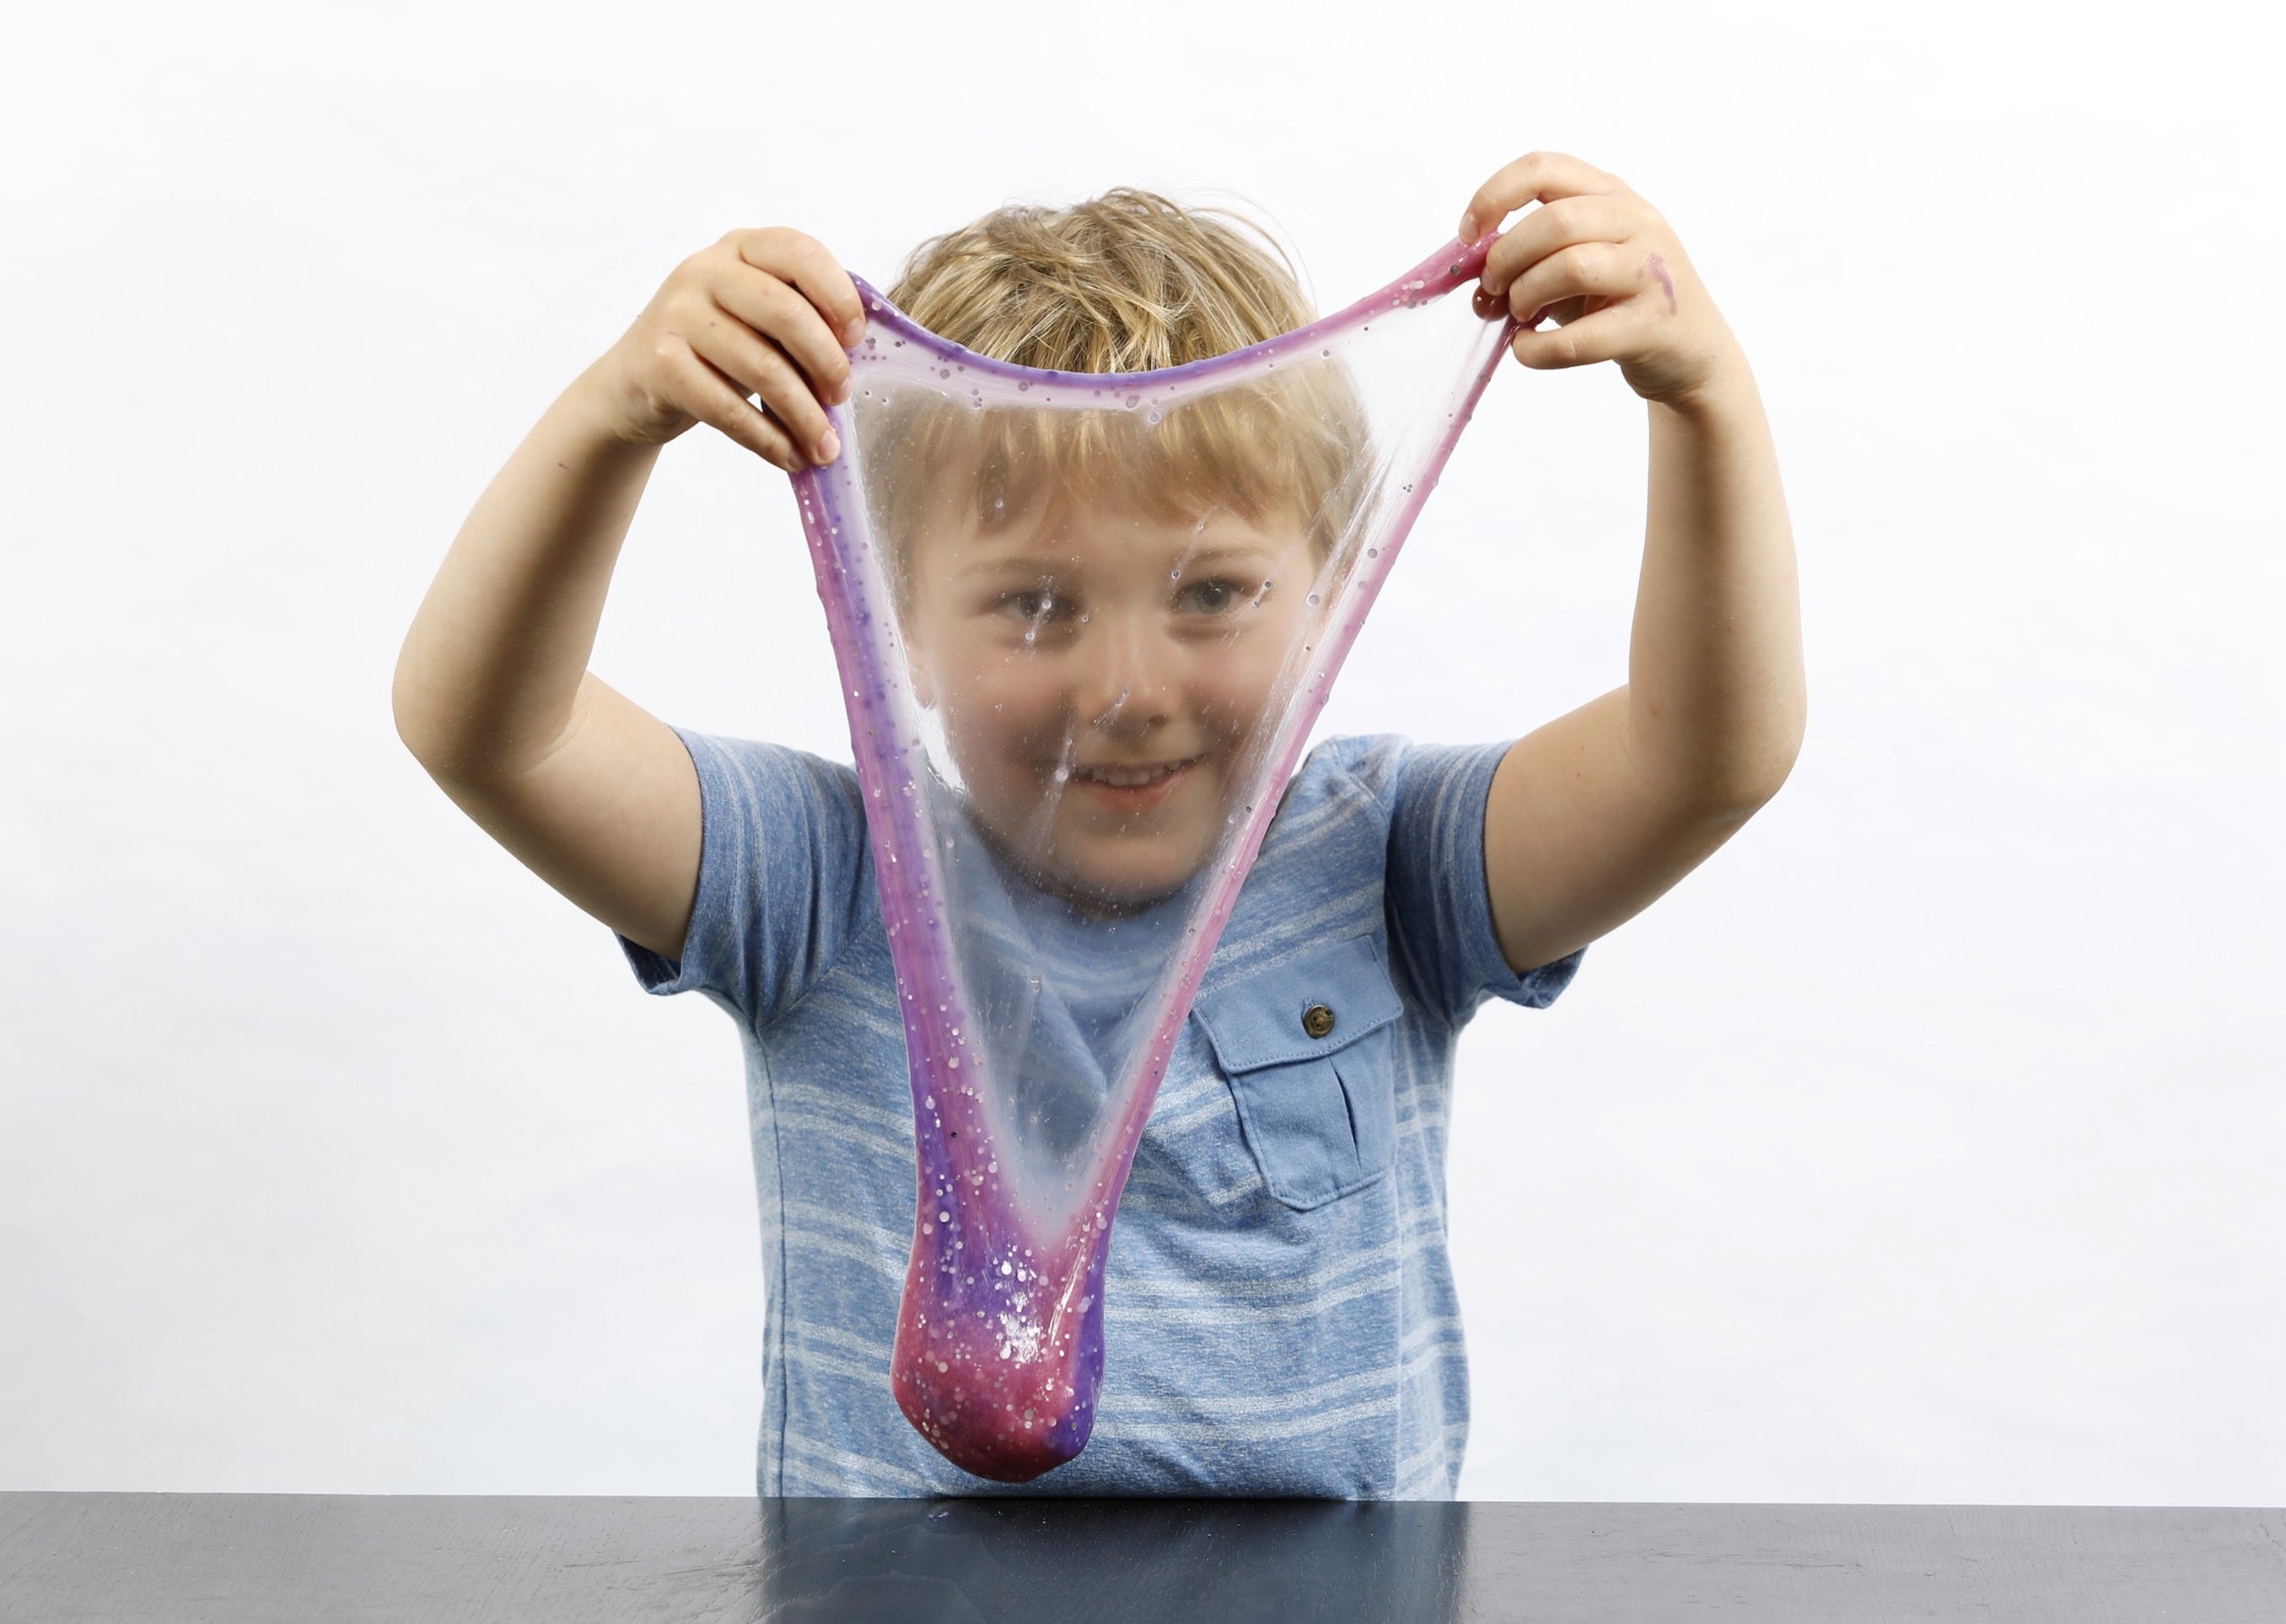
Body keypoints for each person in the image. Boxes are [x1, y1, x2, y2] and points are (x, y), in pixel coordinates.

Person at [390, 153, 1806, 1498]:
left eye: (1211, 595)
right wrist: (611, 420)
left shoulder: (1390, 861)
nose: (1130, 693)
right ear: (900, 630)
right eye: (1034, 604)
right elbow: (495, 732)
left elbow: (1706, 760)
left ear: (1329, 592)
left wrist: (1706, 404)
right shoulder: (827, 880)